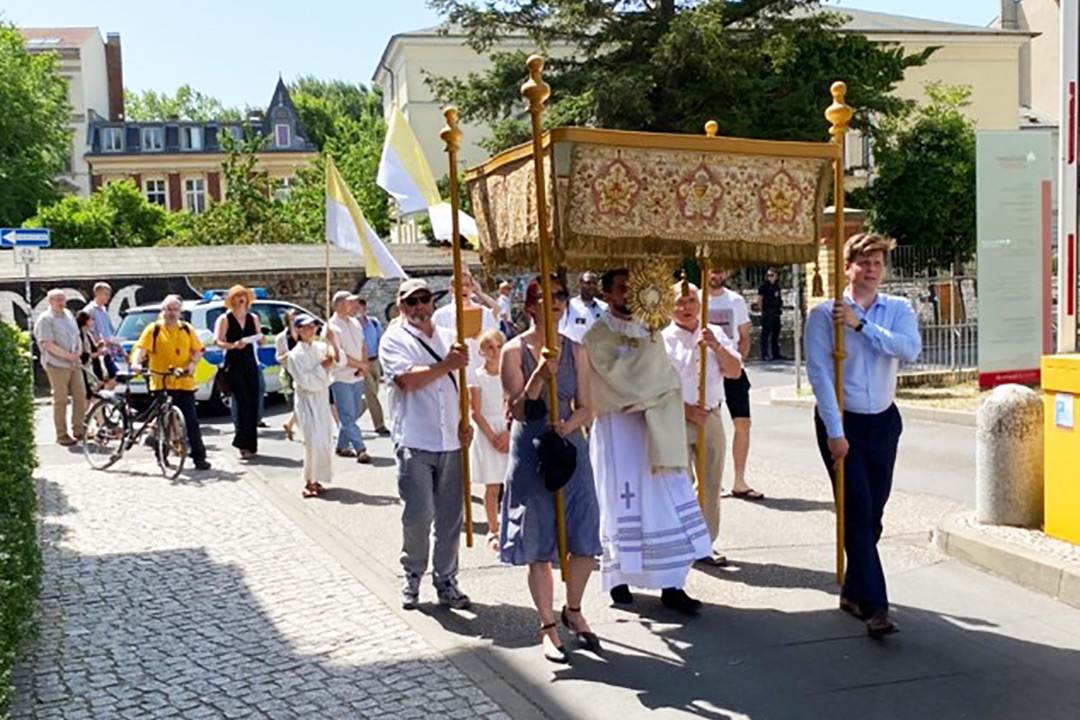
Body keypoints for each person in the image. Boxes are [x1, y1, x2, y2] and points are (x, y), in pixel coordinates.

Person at [806, 233, 921, 638]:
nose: (871, 270)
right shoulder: (825, 315)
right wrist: (835, 433)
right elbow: (820, 374)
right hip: (843, 420)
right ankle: (876, 607)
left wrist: (864, 326)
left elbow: (909, 349)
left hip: (884, 420)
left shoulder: (898, 308)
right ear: (848, 266)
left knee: (873, 516)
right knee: (856, 510)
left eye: (877, 263)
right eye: (863, 263)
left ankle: (855, 591)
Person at [584, 269, 710, 614]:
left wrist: (654, 389)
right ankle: (618, 579)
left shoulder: (652, 328)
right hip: (618, 426)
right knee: (620, 500)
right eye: (622, 288)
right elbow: (615, 379)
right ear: (607, 293)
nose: (628, 294)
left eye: (633, 288)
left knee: (664, 501)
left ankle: (673, 583)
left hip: (656, 425)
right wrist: (648, 386)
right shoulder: (596, 335)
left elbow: (665, 376)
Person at [501, 277, 602, 663]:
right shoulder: (514, 350)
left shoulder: (578, 350)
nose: (556, 303)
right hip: (530, 448)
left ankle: (573, 609)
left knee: (584, 535)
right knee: (537, 539)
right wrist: (540, 375)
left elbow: (586, 406)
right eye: (546, 297)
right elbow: (516, 409)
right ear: (529, 306)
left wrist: (569, 426)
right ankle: (546, 625)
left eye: (561, 296)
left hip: (569, 446)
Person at [379, 278, 473, 610]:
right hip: (415, 440)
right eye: (411, 302)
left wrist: (467, 419)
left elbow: (464, 385)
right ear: (401, 306)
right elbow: (406, 380)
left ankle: (446, 578)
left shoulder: (451, 338)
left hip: (451, 440)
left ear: (433, 302)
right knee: (419, 514)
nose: (419, 306)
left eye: (424, 299)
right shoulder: (394, 338)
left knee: (451, 517)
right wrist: (446, 365)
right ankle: (413, 574)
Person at [662, 283, 742, 566]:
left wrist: (716, 347)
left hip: (711, 415)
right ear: (669, 306)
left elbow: (734, 372)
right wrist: (684, 410)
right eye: (680, 302)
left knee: (710, 483)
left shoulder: (714, 332)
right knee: (680, 483)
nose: (686, 308)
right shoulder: (662, 340)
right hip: (677, 417)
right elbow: (659, 386)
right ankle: (682, 538)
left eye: (692, 301)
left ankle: (705, 543)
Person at [129, 295, 211, 471]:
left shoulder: (187, 329)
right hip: (161, 382)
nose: (171, 313)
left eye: (174, 310)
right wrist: (136, 363)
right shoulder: (154, 329)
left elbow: (198, 350)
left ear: (180, 312)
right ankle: (161, 455)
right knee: (164, 422)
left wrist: (191, 365)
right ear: (162, 310)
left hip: (184, 382)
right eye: (168, 309)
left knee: (191, 422)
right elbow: (141, 348)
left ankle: (199, 458)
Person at [706, 268, 762, 500]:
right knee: (708, 425)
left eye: (720, 270)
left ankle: (739, 481)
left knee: (743, 423)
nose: (716, 274)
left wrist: (737, 363)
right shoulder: (696, 299)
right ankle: (709, 481)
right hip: (706, 371)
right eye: (712, 269)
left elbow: (744, 337)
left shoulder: (736, 301)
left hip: (731, 368)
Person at [288, 314, 337, 498]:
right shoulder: (295, 355)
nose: (310, 330)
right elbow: (306, 381)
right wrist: (323, 367)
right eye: (305, 327)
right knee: (311, 440)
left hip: (322, 398)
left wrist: (333, 343)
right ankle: (309, 480)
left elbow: (337, 361)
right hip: (307, 400)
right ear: (299, 330)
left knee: (323, 438)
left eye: (312, 327)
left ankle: (318, 478)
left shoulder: (320, 347)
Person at [469, 328, 509, 552]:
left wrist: (509, 434)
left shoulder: (509, 372)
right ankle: (493, 528)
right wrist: (493, 437)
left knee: (512, 483)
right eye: (490, 347)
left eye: (499, 346)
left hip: (507, 426)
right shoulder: (477, 375)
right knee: (492, 485)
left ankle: (513, 525)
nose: (495, 351)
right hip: (487, 431)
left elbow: (516, 402)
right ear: (482, 351)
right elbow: (475, 410)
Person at [214, 285, 262, 460]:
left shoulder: (253, 318)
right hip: (234, 363)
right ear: (232, 300)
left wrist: (259, 338)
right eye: (237, 296)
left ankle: (252, 444)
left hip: (250, 362)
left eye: (243, 296)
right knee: (242, 403)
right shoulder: (225, 319)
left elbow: (260, 338)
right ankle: (242, 444)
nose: (241, 299)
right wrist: (233, 345)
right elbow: (218, 341)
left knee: (253, 402)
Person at [34, 289, 86, 446]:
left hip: (74, 363)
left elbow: (77, 336)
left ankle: (79, 429)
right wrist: (68, 356)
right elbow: (47, 344)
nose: (61, 302)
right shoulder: (45, 319)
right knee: (61, 398)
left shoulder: (69, 315)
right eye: (57, 299)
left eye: (63, 299)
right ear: (50, 301)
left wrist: (78, 353)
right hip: (56, 364)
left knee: (80, 394)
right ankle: (61, 434)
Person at [433, 270, 499, 385]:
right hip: (454, 372)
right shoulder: (440, 315)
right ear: (451, 289)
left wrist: (482, 337)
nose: (464, 289)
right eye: (459, 285)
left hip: (479, 367)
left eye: (467, 285)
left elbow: (495, 338)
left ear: (472, 288)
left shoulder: (484, 313)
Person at [327, 291, 371, 464]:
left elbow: (362, 345)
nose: (355, 306)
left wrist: (364, 365)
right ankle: (361, 448)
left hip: (357, 376)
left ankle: (341, 445)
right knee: (347, 415)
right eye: (350, 303)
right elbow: (339, 356)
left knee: (354, 412)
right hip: (341, 378)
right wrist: (360, 365)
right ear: (338, 305)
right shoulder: (331, 328)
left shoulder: (355, 323)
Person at [355, 297, 390, 436]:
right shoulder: (353, 326)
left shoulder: (374, 323)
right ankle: (379, 424)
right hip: (362, 363)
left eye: (359, 308)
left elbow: (381, 342)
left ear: (364, 309)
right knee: (371, 393)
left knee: (371, 394)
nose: (356, 311)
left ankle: (349, 418)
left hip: (375, 361)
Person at [82, 282, 121, 381]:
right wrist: (102, 341)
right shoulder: (89, 310)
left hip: (108, 352)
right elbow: (88, 333)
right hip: (98, 353)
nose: (108, 297)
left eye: (109, 294)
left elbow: (110, 330)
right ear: (97, 294)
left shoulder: (104, 310)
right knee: (106, 379)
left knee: (115, 377)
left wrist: (116, 343)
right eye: (106, 294)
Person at [559, 271, 607, 344]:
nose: (592, 286)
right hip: (575, 352)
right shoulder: (569, 306)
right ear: (580, 285)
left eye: (594, 283)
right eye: (588, 283)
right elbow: (560, 330)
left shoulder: (604, 308)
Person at [275, 309, 300, 441]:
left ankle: (289, 423)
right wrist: (290, 355)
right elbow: (279, 358)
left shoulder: (305, 333)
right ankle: (290, 424)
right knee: (301, 401)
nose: (295, 320)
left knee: (303, 401)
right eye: (292, 318)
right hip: (291, 372)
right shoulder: (282, 338)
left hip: (305, 372)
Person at [75, 310, 113, 394]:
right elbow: (84, 354)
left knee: (95, 392)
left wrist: (99, 345)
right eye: (91, 319)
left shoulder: (88, 334)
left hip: (94, 366)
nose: (93, 321)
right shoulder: (80, 335)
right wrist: (99, 353)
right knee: (88, 393)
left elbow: (92, 348)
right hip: (87, 368)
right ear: (86, 321)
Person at [757, 267, 784, 361]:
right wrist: (762, 312)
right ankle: (765, 354)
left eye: (772, 275)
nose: (770, 278)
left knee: (775, 334)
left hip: (776, 312)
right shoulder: (763, 287)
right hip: (767, 312)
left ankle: (776, 354)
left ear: (776, 276)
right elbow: (760, 300)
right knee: (765, 334)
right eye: (768, 275)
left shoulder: (777, 287)